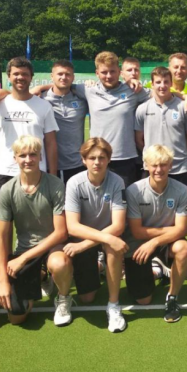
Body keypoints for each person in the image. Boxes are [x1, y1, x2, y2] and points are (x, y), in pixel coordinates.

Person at [0, 57, 59, 313]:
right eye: (15, 74)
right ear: (9, 76)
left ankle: (42, 272)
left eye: (25, 74)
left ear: (31, 77)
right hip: (3, 175)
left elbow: (50, 143)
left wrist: (53, 175)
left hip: (38, 176)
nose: (20, 78)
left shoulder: (43, 106)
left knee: (41, 229)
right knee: (2, 233)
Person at [0, 136, 73, 327]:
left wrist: (22, 259)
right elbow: (1, 237)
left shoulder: (55, 184)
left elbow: (61, 233)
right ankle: (42, 276)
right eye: (22, 155)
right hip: (25, 249)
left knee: (59, 263)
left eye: (33, 154)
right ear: (15, 158)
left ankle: (63, 298)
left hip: (53, 247)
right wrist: (3, 282)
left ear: (40, 157)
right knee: (16, 318)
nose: (28, 160)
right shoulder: (7, 190)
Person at [64, 137, 128, 333]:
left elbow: (118, 225)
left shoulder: (117, 182)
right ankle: (100, 265)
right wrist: (103, 238)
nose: (97, 162)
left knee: (113, 246)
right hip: (85, 235)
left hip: (101, 237)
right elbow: (73, 227)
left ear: (109, 159)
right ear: (84, 160)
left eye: (102, 157)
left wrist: (88, 244)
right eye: (92, 158)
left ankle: (114, 304)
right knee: (87, 298)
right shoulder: (74, 183)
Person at [124, 145, 187, 322]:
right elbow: (137, 232)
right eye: (154, 165)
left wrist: (154, 242)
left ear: (170, 165)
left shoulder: (182, 190)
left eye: (163, 164)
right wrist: (174, 229)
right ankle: (158, 268)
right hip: (139, 244)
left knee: (183, 247)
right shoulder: (134, 191)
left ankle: (172, 297)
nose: (158, 169)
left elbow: (181, 230)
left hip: (165, 242)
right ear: (146, 165)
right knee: (143, 300)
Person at [74, 51, 149, 187]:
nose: (109, 76)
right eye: (104, 72)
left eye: (112, 71)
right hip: (97, 158)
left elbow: (162, 94)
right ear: (97, 73)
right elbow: (62, 86)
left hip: (124, 159)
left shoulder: (133, 90)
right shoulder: (88, 90)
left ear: (119, 72)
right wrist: (39, 87)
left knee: (124, 198)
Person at [135, 67, 187, 197]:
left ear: (171, 83)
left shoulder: (183, 106)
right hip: (152, 168)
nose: (162, 86)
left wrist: (177, 153)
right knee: (149, 206)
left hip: (179, 168)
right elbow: (139, 140)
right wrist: (152, 157)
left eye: (166, 82)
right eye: (158, 82)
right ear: (152, 84)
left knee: (182, 206)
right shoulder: (142, 109)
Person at [40, 60, 88, 183]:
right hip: (47, 166)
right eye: (60, 74)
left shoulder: (82, 99)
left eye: (67, 74)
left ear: (73, 77)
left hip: (77, 165)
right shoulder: (40, 99)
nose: (64, 77)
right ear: (52, 76)